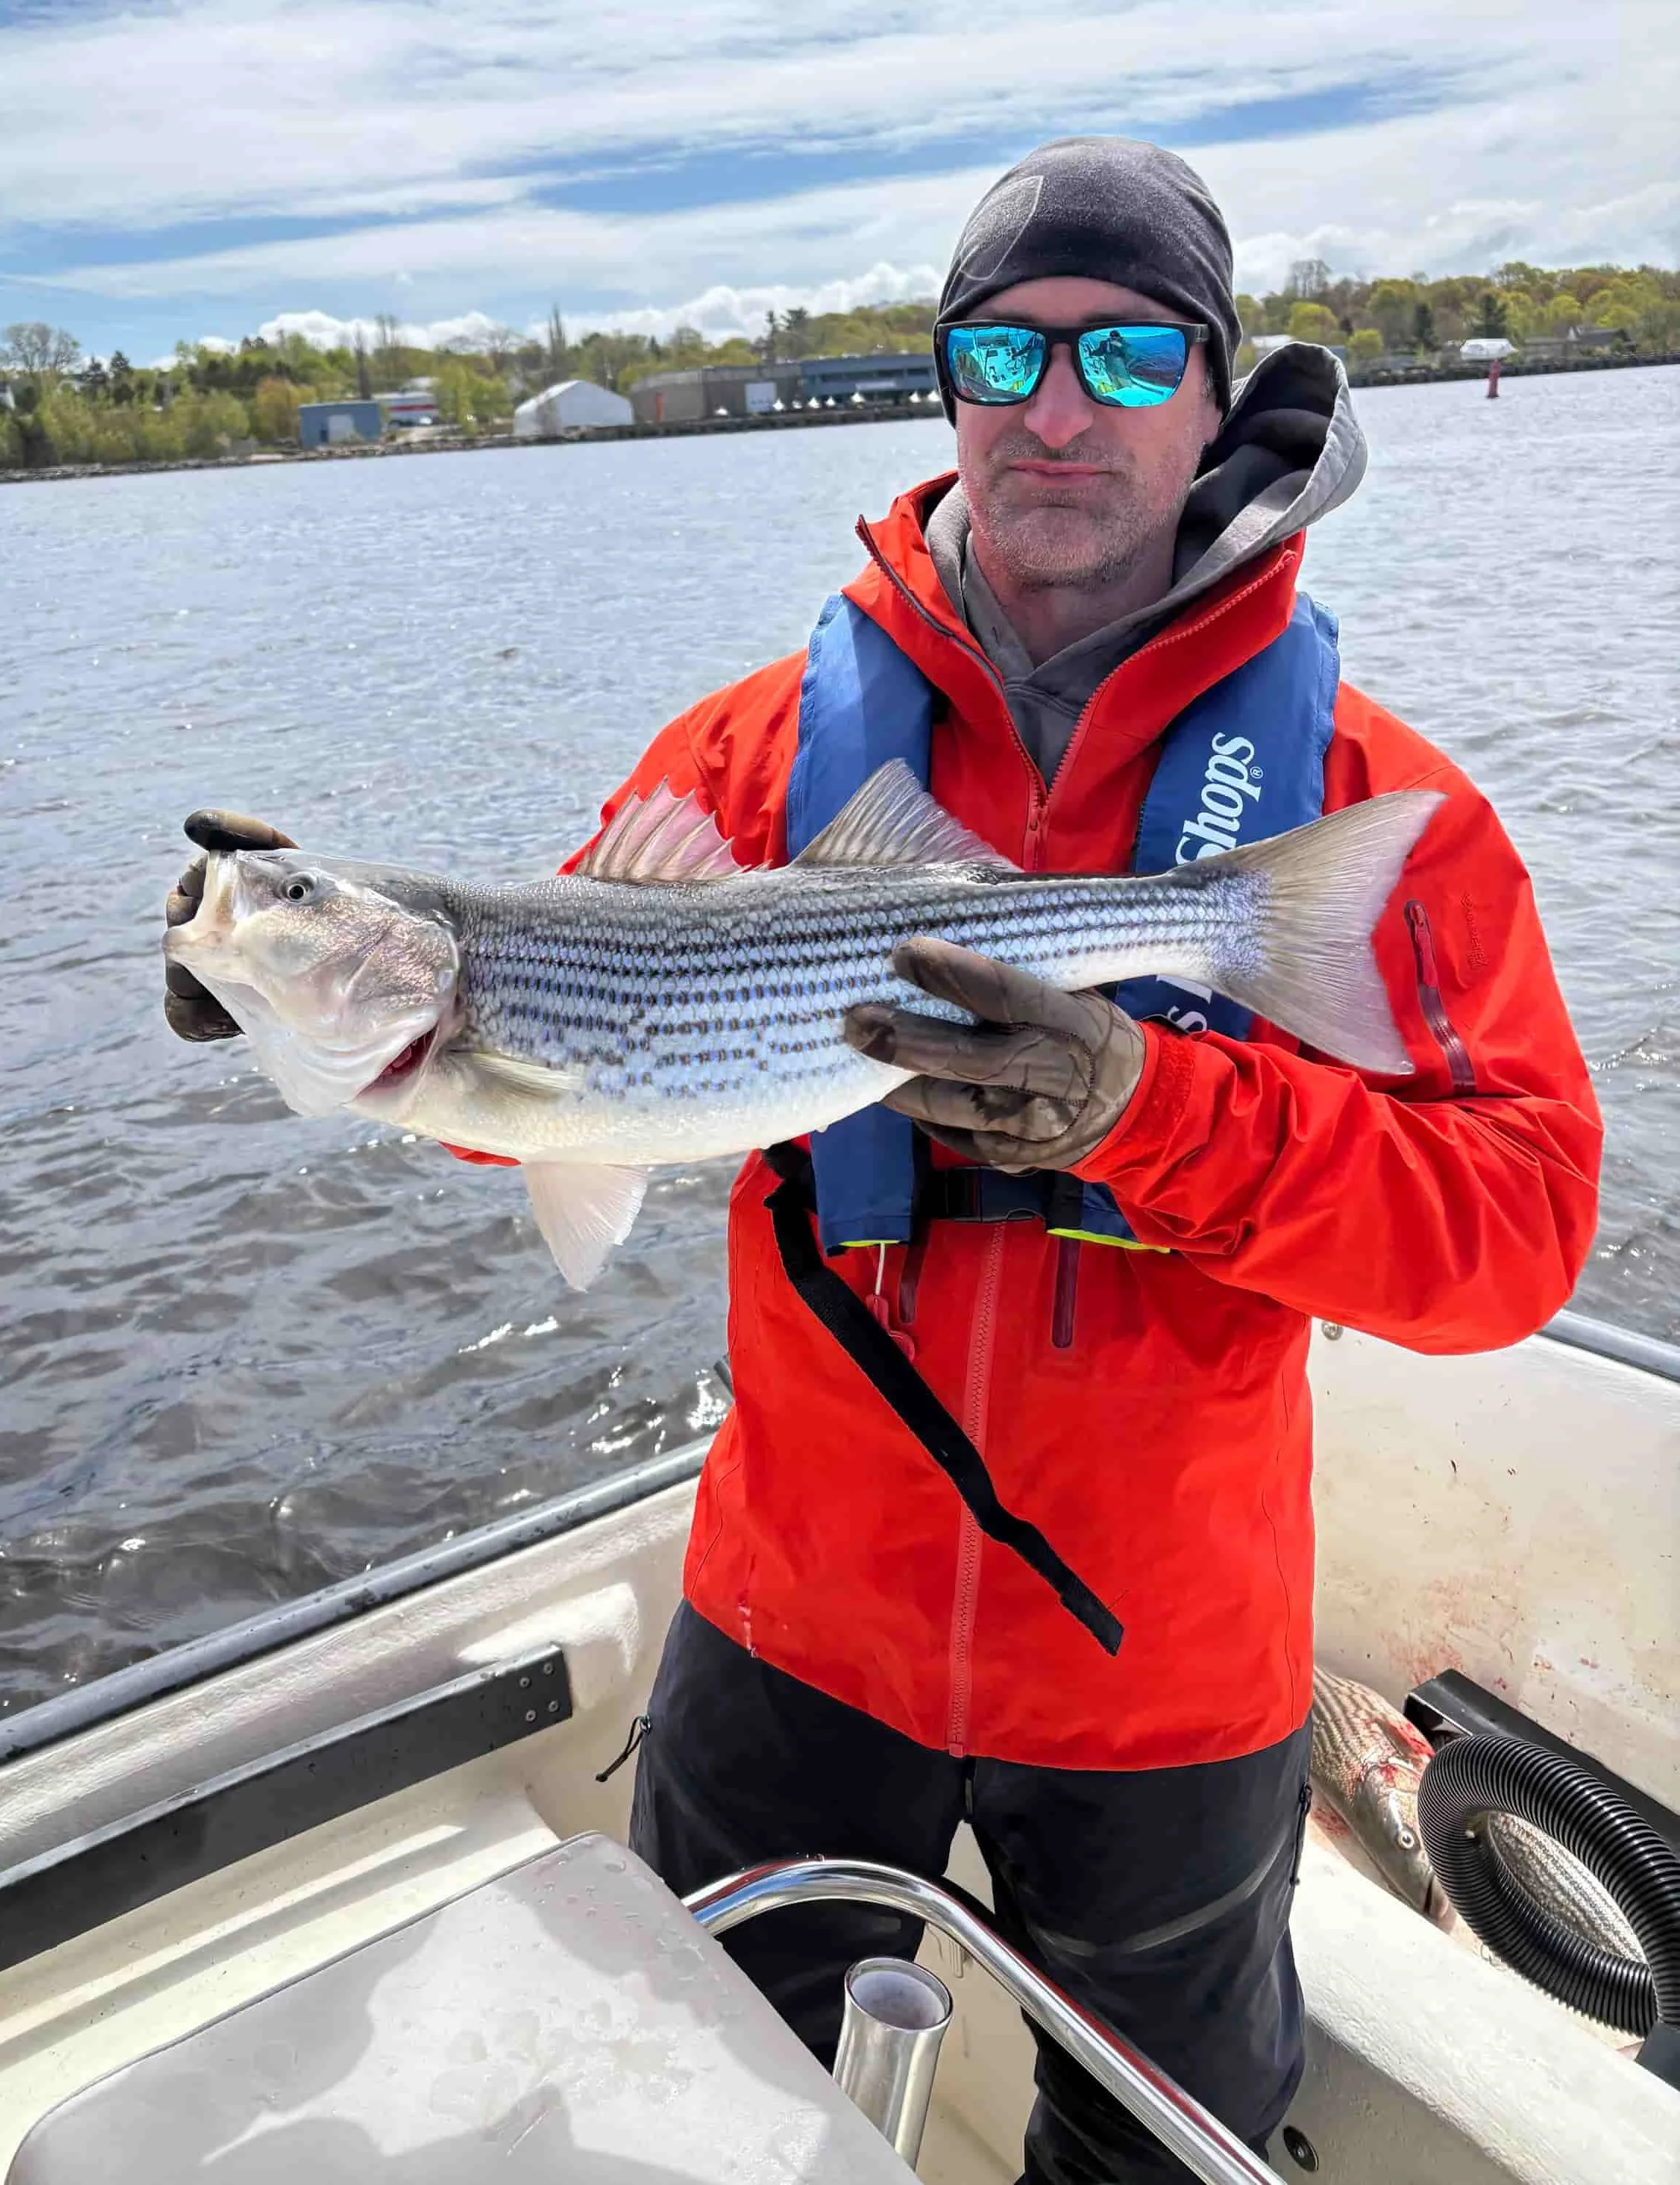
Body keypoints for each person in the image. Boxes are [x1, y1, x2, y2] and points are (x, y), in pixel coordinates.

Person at [164, 138, 1602, 2181]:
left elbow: (1516, 1237)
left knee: (1150, 2156)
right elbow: (567, 1105)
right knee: (702, 2118)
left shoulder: (1376, 806)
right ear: (941, 390)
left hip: (1164, 1677)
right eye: (995, 350)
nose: (1050, 404)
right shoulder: (747, 755)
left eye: (1120, 354)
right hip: (788, 1630)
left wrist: (1153, 1110)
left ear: (1213, 395)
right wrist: (297, 1010)